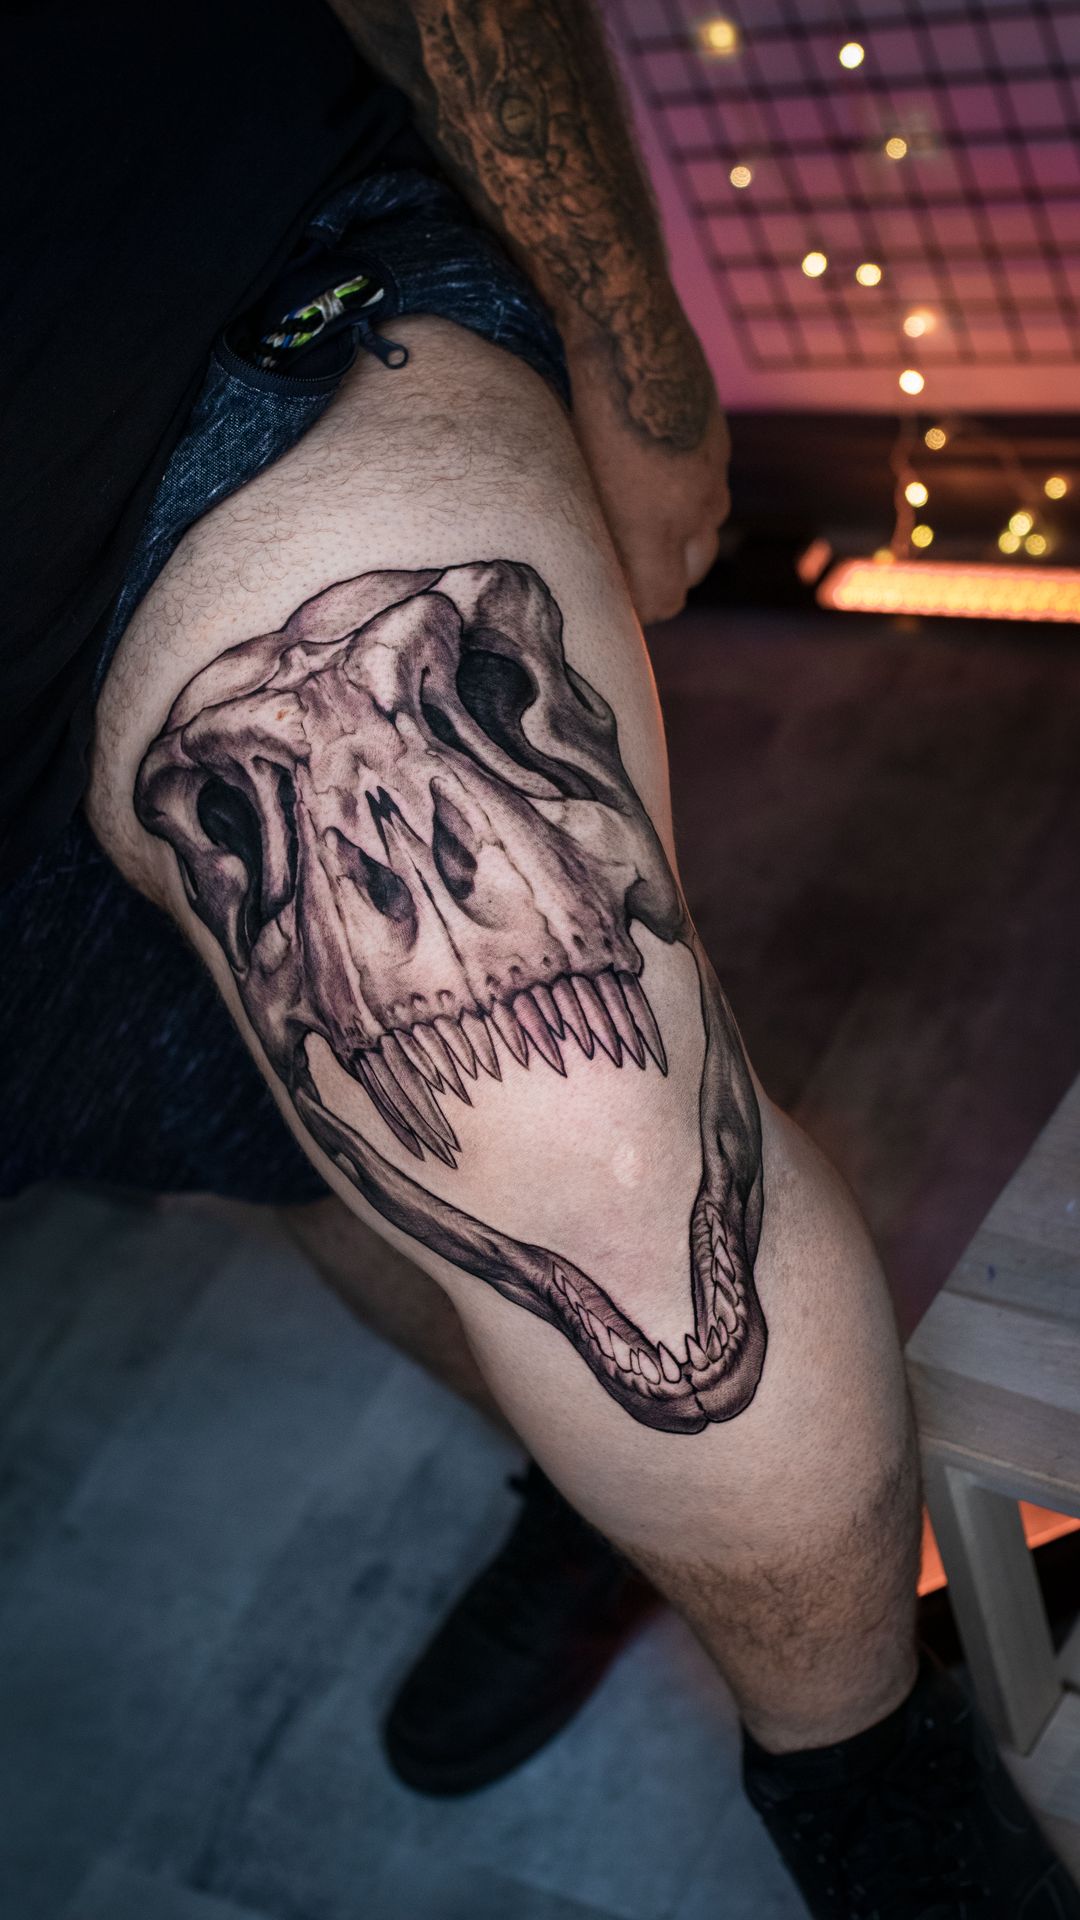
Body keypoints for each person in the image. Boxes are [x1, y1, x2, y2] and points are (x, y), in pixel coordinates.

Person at [2, 5, 1075, 1915]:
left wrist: (624, 344)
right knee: (272, 1141)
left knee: (591, 1135)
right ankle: (607, 1515)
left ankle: (867, 1787)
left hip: (219, 333)